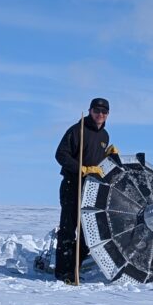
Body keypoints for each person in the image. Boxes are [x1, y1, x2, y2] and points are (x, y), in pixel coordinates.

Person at [54, 97, 114, 283]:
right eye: (97, 111)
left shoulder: (104, 136)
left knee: (87, 231)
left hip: (91, 189)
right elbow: (60, 154)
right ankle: (63, 272)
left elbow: (100, 165)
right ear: (90, 111)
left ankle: (75, 270)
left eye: (104, 112)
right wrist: (80, 168)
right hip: (73, 185)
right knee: (68, 229)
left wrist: (109, 157)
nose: (100, 115)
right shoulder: (77, 130)